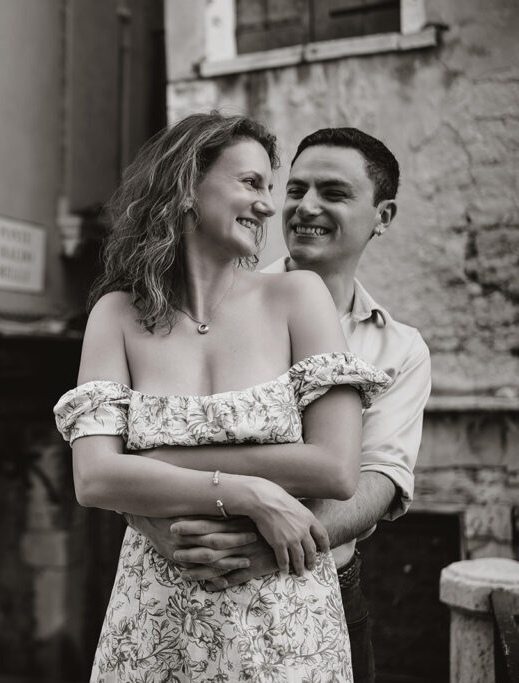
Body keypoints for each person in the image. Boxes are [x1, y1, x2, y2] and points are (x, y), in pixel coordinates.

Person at [53, 113, 390, 681]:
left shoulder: (296, 296)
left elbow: (334, 468)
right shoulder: (115, 314)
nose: (267, 206)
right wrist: (249, 493)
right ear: (187, 184)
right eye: (251, 183)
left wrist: (149, 467)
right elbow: (93, 481)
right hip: (155, 621)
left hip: (283, 620)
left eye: (268, 188)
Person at [125, 127, 432, 683]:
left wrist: (265, 549)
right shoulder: (212, 305)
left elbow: (376, 478)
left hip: (321, 584)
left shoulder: (401, 348)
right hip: (184, 574)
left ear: (382, 216)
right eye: (296, 189)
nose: (304, 206)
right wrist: (151, 522)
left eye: (334, 194)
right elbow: (123, 444)